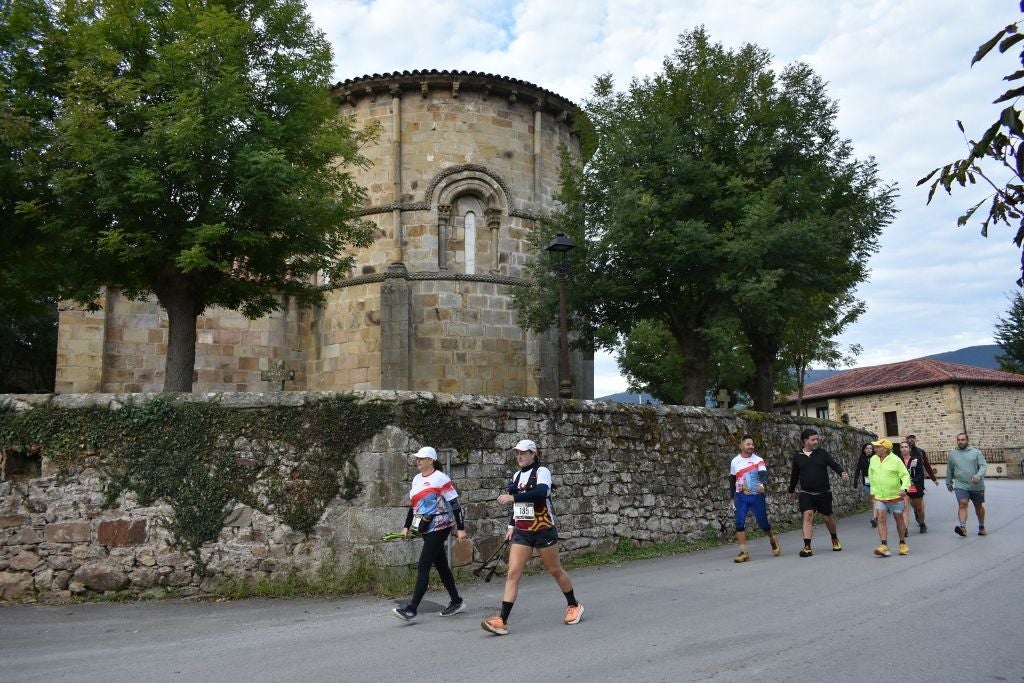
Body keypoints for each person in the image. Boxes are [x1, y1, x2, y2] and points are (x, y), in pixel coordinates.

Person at [481, 439, 583, 636]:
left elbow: (541, 492)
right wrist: (511, 526)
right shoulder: (517, 475)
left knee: (554, 570)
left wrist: (513, 497)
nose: (519, 456)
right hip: (522, 531)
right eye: (517, 453)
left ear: (533, 454)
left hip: (543, 529)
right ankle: (502, 620)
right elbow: (518, 506)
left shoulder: (541, 471)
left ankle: (573, 605)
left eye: (523, 452)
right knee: (513, 573)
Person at [392, 446, 467, 622]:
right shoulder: (417, 479)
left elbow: (455, 505)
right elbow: (414, 505)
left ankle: (411, 609)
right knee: (441, 566)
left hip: (440, 527)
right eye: (417, 458)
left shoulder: (441, 478)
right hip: (425, 527)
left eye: (421, 458)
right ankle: (456, 601)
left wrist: (461, 528)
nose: (417, 461)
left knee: (424, 565)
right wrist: (406, 526)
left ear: (430, 460)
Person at [788, 428, 849, 557]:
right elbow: (795, 474)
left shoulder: (822, 453)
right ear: (805, 441)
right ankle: (807, 547)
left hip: (823, 493)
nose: (816, 441)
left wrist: (842, 472)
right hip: (806, 493)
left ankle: (834, 538)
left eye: (817, 439)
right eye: (813, 439)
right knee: (808, 515)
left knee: (827, 518)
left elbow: (834, 465)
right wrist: (791, 491)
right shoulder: (798, 456)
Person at [729, 435, 781, 562]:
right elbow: (732, 479)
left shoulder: (758, 460)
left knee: (763, 524)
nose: (751, 446)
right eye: (748, 444)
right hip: (740, 496)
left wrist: (762, 485)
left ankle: (772, 539)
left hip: (756, 496)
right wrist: (731, 498)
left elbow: (763, 474)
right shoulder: (735, 461)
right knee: (739, 523)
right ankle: (744, 553)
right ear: (741, 446)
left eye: (752, 444)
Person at [868, 438, 911, 557]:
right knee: (881, 519)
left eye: (878, 447)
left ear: (885, 449)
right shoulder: (873, 459)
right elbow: (871, 475)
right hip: (880, 496)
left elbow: (905, 475)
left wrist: (904, 488)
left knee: (899, 518)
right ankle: (884, 546)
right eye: (875, 447)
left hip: (895, 496)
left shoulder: (896, 460)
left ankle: (902, 543)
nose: (875, 449)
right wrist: (873, 492)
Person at [946, 432, 988, 537]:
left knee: (978, 506)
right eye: (959, 440)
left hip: (976, 485)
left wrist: (978, 475)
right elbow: (950, 469)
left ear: (967, 440)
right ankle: (962, 528)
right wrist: (948, 482)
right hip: (961, 484)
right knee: (962, 504)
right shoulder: (953, 454)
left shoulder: (976, 452)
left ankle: (981, 527)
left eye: (963, 440)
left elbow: (983, 466)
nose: (960, 442)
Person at [900, 437, 939, 533]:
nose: (904, 449)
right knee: (905, 508)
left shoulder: (916, 460)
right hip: (903, 488)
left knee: (918, 509)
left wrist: (913, 481)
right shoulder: (898, 461)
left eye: (906, 447)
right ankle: (905, 529)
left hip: (915, 487)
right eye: (902, 447)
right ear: (900, 449)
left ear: (909, 449)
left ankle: (922, 523)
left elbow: (921, 474)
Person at [852, 442, 877, 527]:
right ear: (864, 450)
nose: (869, 450)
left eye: (871, 448)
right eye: (867, 448)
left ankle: (874, 517)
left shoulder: (875, 458)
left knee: (874, 500)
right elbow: (858, 470)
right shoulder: (861, 458)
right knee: (871, 500)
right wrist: (855, 481)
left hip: (876, 482)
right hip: (866, 482)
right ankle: (876, 515)